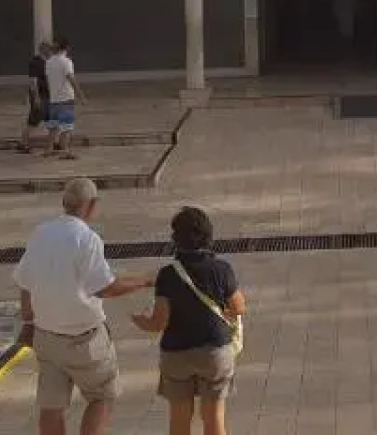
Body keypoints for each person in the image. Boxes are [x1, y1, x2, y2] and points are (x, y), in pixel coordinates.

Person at [14, 178, 153, 435]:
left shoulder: (41, 233)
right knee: (102, 396)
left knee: (51, 406)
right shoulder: (87, 239)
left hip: (46, 336)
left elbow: (25, 282)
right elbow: (104, 287)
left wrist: (28, 322)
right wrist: (144, 281)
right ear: (91, 205)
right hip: (84, 339)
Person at [132, 206, 246, 435]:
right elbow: (239, 307)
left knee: (179, 423)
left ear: (176, 239)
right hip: (215, 353)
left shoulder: (167, 274)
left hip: (176, 356)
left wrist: (140, 320)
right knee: (214, 422)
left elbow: (158, 323)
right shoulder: (222, 269)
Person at [43, 38, 78, 160]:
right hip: (66, 98)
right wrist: (80, 94)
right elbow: (71, 78)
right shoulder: (66, 62)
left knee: (54, 127)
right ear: (66, 48)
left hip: (54, 99)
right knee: (67, 128)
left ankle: (48, 149)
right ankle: (65, 151)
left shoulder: (49, 62)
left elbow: (48, 80)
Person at [17, 41, 51, 154]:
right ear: (43, 49)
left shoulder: (46, 61)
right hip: (40, 95)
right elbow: (33, 81)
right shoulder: (35, 62)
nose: (50, 52)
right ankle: (23, 142)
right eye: (48, 49)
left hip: (47, 95)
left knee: (50, 118)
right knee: (34, 119)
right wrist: (36, 97)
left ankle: (53, 142)